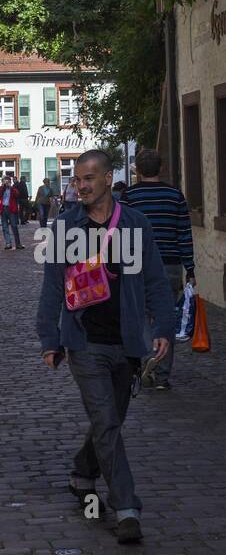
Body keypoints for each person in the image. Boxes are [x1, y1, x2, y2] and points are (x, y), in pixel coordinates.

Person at [36, 148, 175, 544]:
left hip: (128, 342)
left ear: (108, 178)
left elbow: (154, 281)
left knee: (108, 421)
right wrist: (50, 337)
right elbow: (51, 289)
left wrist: (162, 326)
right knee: (107, 422)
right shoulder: (64, 228)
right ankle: (127, 508)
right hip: (84, 342)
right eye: (77, 179)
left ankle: (83, 471)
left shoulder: (135, 224)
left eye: (88, 179)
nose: (80, 186)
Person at [123, 147, 196, 391]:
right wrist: (191, 268)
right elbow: (184, 234)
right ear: (161, 168)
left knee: (141, 315)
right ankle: (162, 375)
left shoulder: (129, 197)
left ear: (138, 171)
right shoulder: (174, 195)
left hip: (138, 264)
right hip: (171, 262)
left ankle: (147, 359)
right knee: (166, 317)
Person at [0, 174, 23, 250]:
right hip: (3, 209)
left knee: (14, 226)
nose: (6, 182)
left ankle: (18, 244)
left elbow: (17, 194)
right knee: (5, 227)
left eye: (8, 181)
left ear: (10, 182)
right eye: (4, 181)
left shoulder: (13, 189)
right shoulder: (2, 189)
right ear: (3, 182)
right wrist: (3, 186)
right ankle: (8, 243)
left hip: (11, 210)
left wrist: (10, 187)